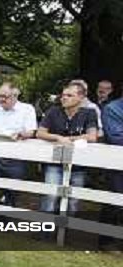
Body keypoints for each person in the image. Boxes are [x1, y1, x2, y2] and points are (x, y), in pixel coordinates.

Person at [36, 83, 98, 214]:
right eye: (63, 95)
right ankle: (45, 230)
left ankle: (64, 231)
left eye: (69, 95)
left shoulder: (89, 113)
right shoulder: (53, 111)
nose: (64, 98)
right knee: (51, 196)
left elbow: (92, 136)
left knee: (73, 201)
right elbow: (40, 133)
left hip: (78, 163)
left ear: (81, 98)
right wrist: (58, 137)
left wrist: (68, 139)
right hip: (56, 160)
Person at [0, 82, 37, 207]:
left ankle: (5, 220)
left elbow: (31, 131)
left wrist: (21, 134)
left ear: (15, 96)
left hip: (16, 157)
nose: (1, 99)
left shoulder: (27, 109)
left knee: (12, 191)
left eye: (5, 96)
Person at [98, 94, 123, 250]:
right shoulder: (112, 109)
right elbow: (116, 137)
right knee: (114, 201)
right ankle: (106, 241)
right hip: (118, 165)